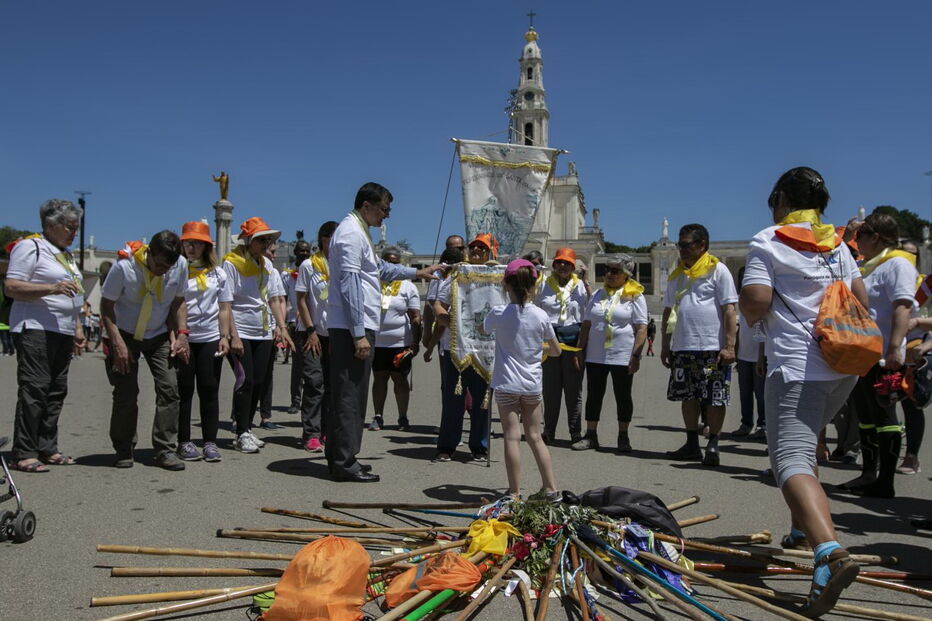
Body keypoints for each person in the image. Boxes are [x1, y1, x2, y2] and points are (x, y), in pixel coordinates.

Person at [741, 166, 863, 616]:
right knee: (806, 445)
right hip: (842, 366)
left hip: (797, 366)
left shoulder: (769, 240)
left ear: (780, 201)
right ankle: (799, 529)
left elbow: (755, 299)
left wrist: (752, 318)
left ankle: (828, 553)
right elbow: (861, 301)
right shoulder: (837, 244)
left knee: (789, 460)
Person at [326, 182, 439, 482]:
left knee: (354, 395)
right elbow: (349, 284)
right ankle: (343, 462)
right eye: (384, 209)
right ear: (367, 205)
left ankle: (343, 456)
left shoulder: (359, 231)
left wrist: (417, 273)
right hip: (351, 327)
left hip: (356, 326)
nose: (386, 216)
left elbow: (379, 270)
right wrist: (358, 333)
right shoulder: (350, 233)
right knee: (350, 397)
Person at [836, 212, 916, 499]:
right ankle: (868, 473)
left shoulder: (897, 264)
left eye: (862, 235)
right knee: (866, 415)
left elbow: (902, 307)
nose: (858, 240)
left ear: (876, 237)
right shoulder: (869, 266)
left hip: (884, 353)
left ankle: (885, 480)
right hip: (863, 352)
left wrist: (895, 347)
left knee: (885, 414)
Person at [4, 199, 86, 472]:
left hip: (62, 330)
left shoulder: (65, 254)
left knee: (56, 391)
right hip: (35, 328)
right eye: (70, 227)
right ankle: (24, 451)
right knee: (35, 388)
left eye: (77, 227)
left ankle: (47, 447)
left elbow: (72, 294)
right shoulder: (32, 247)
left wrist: (76, 328)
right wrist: (51, 288)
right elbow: (12, 287)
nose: (74, 232)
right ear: (51, 225)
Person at [100, 230, 190, 470]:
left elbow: (179, 301)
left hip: (158, 334)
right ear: (149, 252)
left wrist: (182, 334)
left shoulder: (179, 265)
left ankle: (165, 450)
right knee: (126, 392)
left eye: (167, 267)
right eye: (158, 264)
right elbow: (106, 306)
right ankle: (123, 448)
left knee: (170, 388)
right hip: (125, 333)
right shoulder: (124, 268)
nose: (162, 270)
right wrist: (117, 342)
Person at [484, 259, 562, 500]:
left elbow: (483, 329)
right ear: (533, 285)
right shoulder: (540, 315)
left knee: (511, 436)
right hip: (531, 384)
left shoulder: (498, 313)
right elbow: (557, 350)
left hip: (507, 383)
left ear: (506, 284)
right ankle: (550, 487)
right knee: (535, 436)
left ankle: (515, 491)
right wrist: (539, 353)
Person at [662, 224, 738, 467]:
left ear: (702, 245)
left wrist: (729, 345)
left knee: (714, 396)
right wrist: (665, 345)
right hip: (684, 347)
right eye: (680, 244)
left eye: (686, 244)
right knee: (688, 396)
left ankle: (713, 443)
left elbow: (729, 310)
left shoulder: (718, 270)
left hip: (711, 349)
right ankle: (691, 443)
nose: (682, 249)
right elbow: (667, 311)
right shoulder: (678, 274)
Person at [223, 217, 293, 454]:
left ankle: (247, 428)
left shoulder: (267, 266)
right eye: (261, 240)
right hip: (240, 330)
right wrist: (233, 335)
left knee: (260, 382)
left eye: (268, 240)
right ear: (248, 241)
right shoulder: (232, 265)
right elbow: (226, 303)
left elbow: (274, 299)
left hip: (262, 332)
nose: (266, 244)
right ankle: (241, 431)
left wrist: (282, 328)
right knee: (246, 380)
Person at [430, 233, 498, 463]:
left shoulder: (498, 278)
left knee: (482, 401)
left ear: (490, 252)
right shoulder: (457, 275)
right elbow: (439, 304)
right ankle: (447, 446)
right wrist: (442, 315)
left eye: (482, 248)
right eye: (473, 247)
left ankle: (479, 446)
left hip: (485, 348)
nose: (477, 251)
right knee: (453, 400)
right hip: (457, 346)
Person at [572, 254, 648, 453]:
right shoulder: (598, 294)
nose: (609, 274)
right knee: (594, 395)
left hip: (622, 355)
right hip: (596, 354)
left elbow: (641, 327)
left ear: (626, 274)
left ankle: (623, 436)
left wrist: (636, 356)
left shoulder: (635, 295)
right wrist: (580, 350)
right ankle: (590, 435)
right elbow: (587, 324)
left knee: (623, 396)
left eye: (615, 271)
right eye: (607, 270)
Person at [175, 221, 232, 462]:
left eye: (197, 243)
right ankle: (184, 441)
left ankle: (210, 442)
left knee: (209, 390)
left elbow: (224, 307)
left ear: (206, 246)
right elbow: (176, 304)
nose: (192, 247)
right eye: (188, 243)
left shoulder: (218, 273)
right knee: (185, 391)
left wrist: (224, 336)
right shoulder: (177, 271)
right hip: (185, 337)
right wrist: (180, 334)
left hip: (210, 337)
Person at [534, 247, 588, 444]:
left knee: (574, 390)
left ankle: (575, 432)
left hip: (573, 340)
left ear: (573, 266)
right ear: (554, 265)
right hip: (550, 339)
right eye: (559, 262)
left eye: (567, 263)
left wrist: (587, 282)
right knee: (551, 389)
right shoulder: (544, 285)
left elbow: (589, 311)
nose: (563, 266)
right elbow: (537, 312)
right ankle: (549, 431)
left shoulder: (580, 286)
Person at [295, 221, 338, 453]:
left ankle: (326, 430)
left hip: (335, 333)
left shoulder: (342, 264)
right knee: (314, 382)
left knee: (332, 385)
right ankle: (310, 433)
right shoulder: (309, 266)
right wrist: (310, 331)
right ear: (322, 239)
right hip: (311, 332)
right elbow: (301, 300)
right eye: (332, 238)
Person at [369, 246, 421, 431]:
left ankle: (402, 417)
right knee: (379, 378)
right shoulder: (373, 283)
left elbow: (415, 316)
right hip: (377, 342)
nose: (391, 265)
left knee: (400, 379)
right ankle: (378, 416)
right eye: (388, 262)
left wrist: (416, 342)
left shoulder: (408, 286)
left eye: (395, 262)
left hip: (401, 343)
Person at [284, 240, 312, 414]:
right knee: (298, 364)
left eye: (307, 250)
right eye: (301, 250)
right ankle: (295, 399)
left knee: (312, 364)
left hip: (312, 322)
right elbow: (283, 299)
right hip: (295, 323)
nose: (304, 253)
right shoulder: (287, 276)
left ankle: (310, 398)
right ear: (295, 252)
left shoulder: (314, 270)